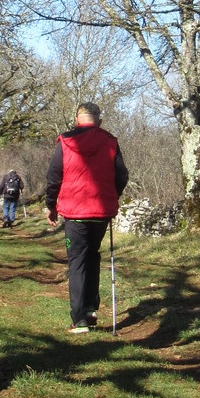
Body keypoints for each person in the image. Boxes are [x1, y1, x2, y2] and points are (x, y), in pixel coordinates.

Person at [45, 102, 128, 334]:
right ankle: (90, 307)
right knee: (92, 255)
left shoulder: (65, 141)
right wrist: (111, 196)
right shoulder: (110, 141)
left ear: (77, 119)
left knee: (77, 261)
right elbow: (122, 176)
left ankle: (79, 319)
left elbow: (53, 177)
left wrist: (50, 206)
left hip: (74, 213)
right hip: (101, 212)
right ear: (99, 120)